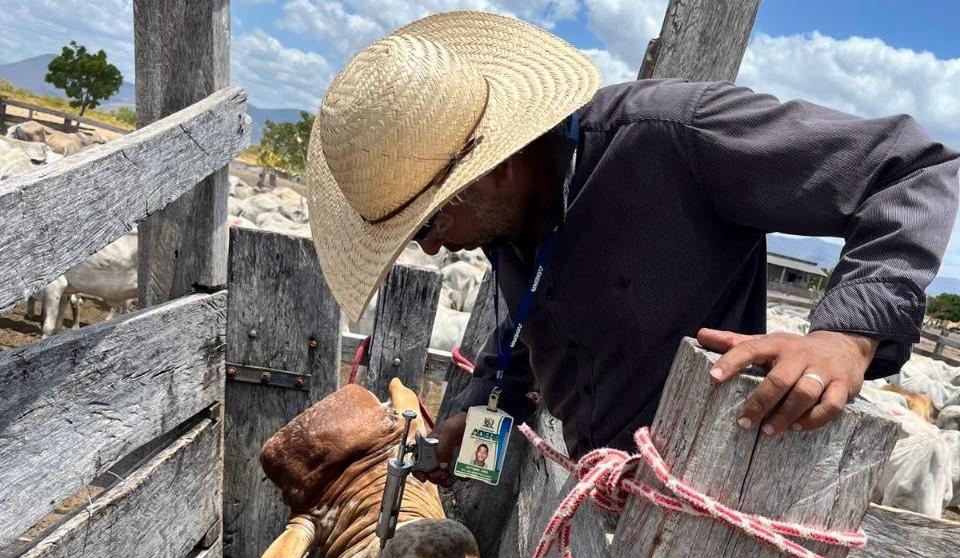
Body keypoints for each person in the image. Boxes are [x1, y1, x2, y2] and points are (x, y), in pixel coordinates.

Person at [305, 11, 960, 486]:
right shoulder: (507, 218)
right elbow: (531, 336)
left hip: (703, 500)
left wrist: (847, 335)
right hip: (598, 488)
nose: (433, 247)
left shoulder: (676, 136)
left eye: (426, 224)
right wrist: (479, 424)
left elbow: (909, 169)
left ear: (494, 168)